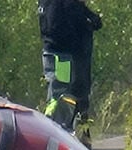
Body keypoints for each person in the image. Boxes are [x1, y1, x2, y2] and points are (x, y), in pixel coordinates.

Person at [38, 0, 102, 130]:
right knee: (62, 92)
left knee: (54, 87)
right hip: (65, 54)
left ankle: (51, 124)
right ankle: (59, 128)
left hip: (48, 50)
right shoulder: (72, 5)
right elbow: (91, 22)